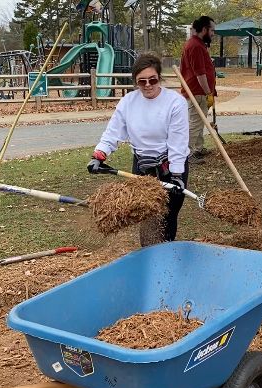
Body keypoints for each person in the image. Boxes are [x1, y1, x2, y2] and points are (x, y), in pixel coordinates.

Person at [87, 54, 190, 245]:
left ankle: (165, 257)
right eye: (142, 81)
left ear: (159, 78)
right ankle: (149, 257)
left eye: (153, 80)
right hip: (142, 168)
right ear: (135, 82)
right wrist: (99, 155)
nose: (148, 85)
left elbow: (178, 142)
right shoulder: (128, 102)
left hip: (169, 166)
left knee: (166, 217)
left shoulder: (175, 103)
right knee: (146, 216)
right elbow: (113, 132)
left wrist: (176, 174)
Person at [180, 15, 216, 164]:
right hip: (197, 91)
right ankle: (186, 155)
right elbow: (200, 74)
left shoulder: (199, 45)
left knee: (200, 121)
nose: (213, 33)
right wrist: (208, 92)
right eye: (212, 30)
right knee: (195, 122)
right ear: (204, 29)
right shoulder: (194, 46)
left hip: (200, 92)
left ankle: (198, 148)